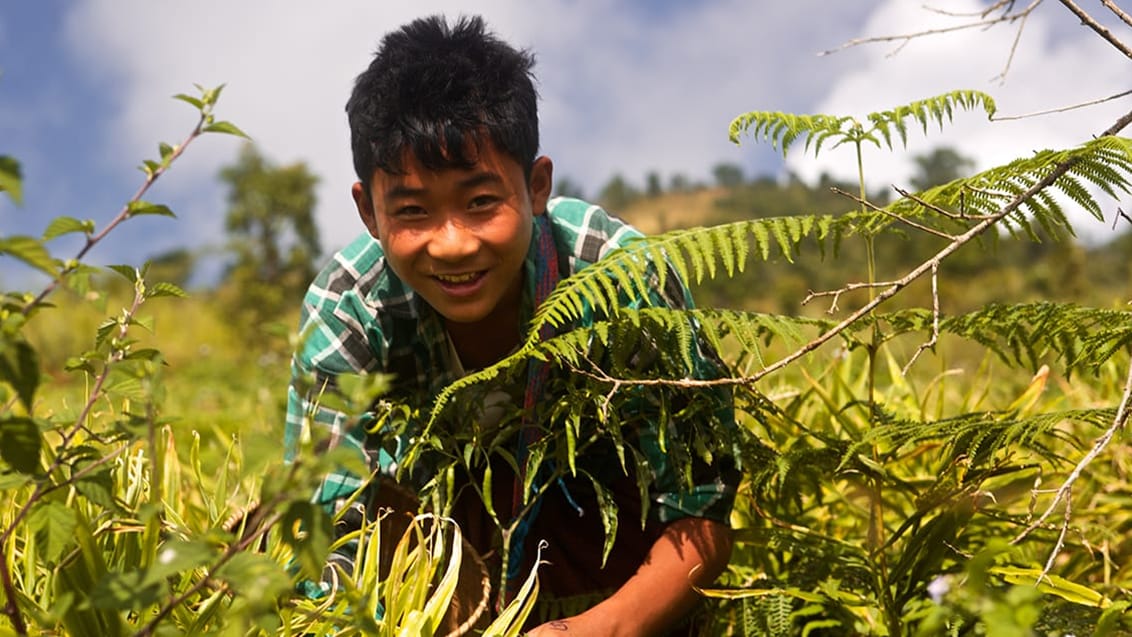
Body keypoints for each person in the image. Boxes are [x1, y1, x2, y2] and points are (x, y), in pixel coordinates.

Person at [285, 14, 739, 635]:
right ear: (368, 210)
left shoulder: (620, 278)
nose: (452, 245)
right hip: (439, 587)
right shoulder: (350, 308)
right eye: (413, 211)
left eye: (480, 203)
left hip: (615, 572)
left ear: (536, 186)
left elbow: (703, 513)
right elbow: (324, 531)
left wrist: (594, 631)